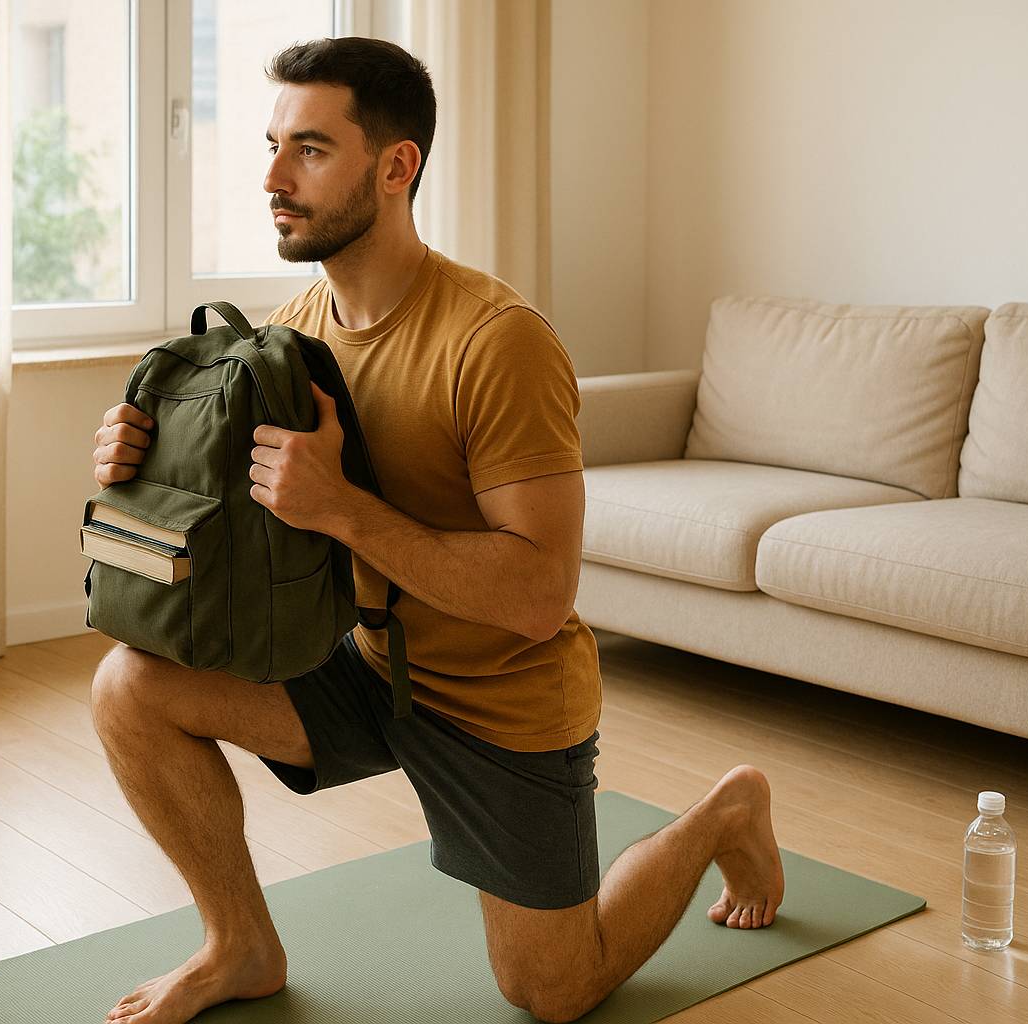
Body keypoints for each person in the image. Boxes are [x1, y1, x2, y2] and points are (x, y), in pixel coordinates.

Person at [87, 36, 785, 1024]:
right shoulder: (294, 334)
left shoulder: (497, 344)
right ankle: (236, 943)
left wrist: (340, 506)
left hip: (501, 700)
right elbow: (250, 525)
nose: (273, 177)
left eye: (311, 150)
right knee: (130, 686)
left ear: (396, 164)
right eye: (272, 144)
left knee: (553, 989)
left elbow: (543, 596)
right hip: (367, 665)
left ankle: (724, 809)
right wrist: (141, 466)